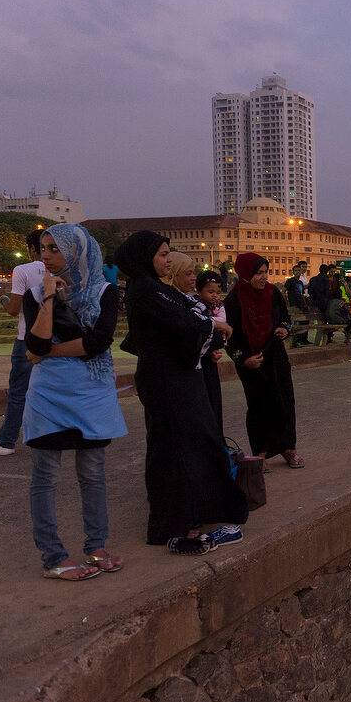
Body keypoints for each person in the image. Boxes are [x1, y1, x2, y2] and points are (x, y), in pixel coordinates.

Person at [114, 230, 246, 555]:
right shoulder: (144, 290)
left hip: (178, 377)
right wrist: (207, 323)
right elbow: (189, 322)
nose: (167, 259)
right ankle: (179, 526)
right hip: (166, 380)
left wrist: (204, 322)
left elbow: (194, 317)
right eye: (161, 254)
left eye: (168, 253)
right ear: (145, 258)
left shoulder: (154, 288)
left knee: (196, 443)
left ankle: (195, 515)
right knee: (177, 448)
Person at [23, 224, 128, 580]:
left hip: (92, 390)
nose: (46, 256)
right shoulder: (37, 293)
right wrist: (50, 298)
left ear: (77, 251)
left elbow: (97, 343)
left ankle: (96, 547)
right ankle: (53, 557)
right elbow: (33, 346)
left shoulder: (105, 291)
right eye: (43, 248)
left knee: (93, 473)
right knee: (45, 477)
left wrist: (46, 352)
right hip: (49, 395)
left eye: (54, 248)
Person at [224, 253, 305, 471]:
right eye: (258, 273)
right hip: (252, 361)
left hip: (275, 357)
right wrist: (243, 359)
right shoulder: (234, 300)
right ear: (245, 274)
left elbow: (285, 317)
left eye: (265, 272)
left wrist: (284, 329)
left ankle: (289, 448)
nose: (263, 277)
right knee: (259, 405)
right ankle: (260, 453)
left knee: (285, 401)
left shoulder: (273, 293)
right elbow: (227, 337)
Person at [0, 229, 45, 456]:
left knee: (18, 392)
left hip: (27, 338)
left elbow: (14, 310)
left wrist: (2, 297)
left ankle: (6, 441)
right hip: (54, 338)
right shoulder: (63, 269)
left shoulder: (22, 270)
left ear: (32, 249)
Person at [195, 270, 228, 433]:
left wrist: (208, 322)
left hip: (212, 350)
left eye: (218, 292)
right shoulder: (194, 305)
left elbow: (223, 321)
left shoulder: (219, 306)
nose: (215, 296)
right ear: (199, 290)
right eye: (210, 292)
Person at [283, 264, 311, 347]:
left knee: (303, 323)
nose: (298, 272)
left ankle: (301, 340)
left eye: (299, 270)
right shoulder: (290, 281)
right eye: (296, 270)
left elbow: (302, 295)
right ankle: (295, 342)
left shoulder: (300, 282)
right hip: (293, 305)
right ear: (293, 272)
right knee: (296, 324)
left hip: (300, 306)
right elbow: (283, 291)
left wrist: (305, 304)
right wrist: (286, 302)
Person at [307, 264, 332, 346]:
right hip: (323, 305)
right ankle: (319, 342)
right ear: (327, 271)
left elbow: (310, 291)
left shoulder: (313, 279)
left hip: (313, 304)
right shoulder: (326, 280)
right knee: (321, 324)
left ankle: (318, 341)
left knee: (317, 323)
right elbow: (326, 292)